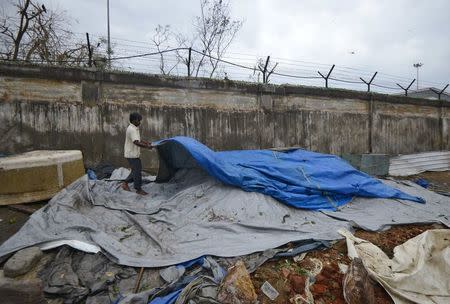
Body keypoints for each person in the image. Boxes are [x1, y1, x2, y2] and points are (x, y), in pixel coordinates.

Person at [122, 112, 152, 195]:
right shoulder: (132, 129)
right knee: (137, 171)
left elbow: (138, 140)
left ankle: (125, 183)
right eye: (139, 120)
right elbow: (136, 142)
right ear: (134, 120)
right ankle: (138, 189)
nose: (140, 122)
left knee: (136, 170)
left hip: (132, 153)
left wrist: (146, 143)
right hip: (132, 154)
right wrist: (147, 147)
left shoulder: (134, 128)